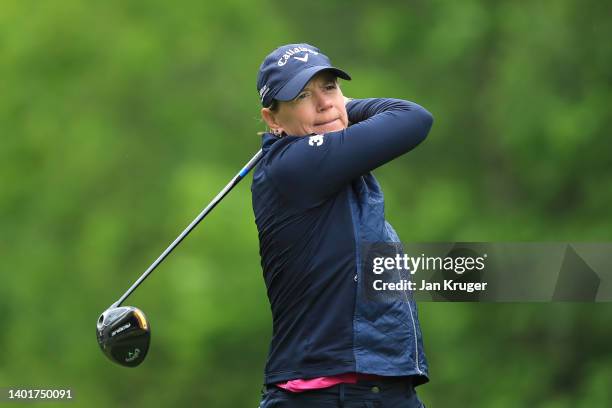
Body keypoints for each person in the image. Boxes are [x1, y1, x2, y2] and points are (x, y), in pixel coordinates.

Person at [251, 43, 433, 408]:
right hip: (323, 396)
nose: (323, 104)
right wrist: (345, 107)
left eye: (329, 87)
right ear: (273, 120)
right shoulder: (295, 166)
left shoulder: (335, 171)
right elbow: (413, 118)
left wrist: (331, 110)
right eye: (303, 95)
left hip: (385, 391)